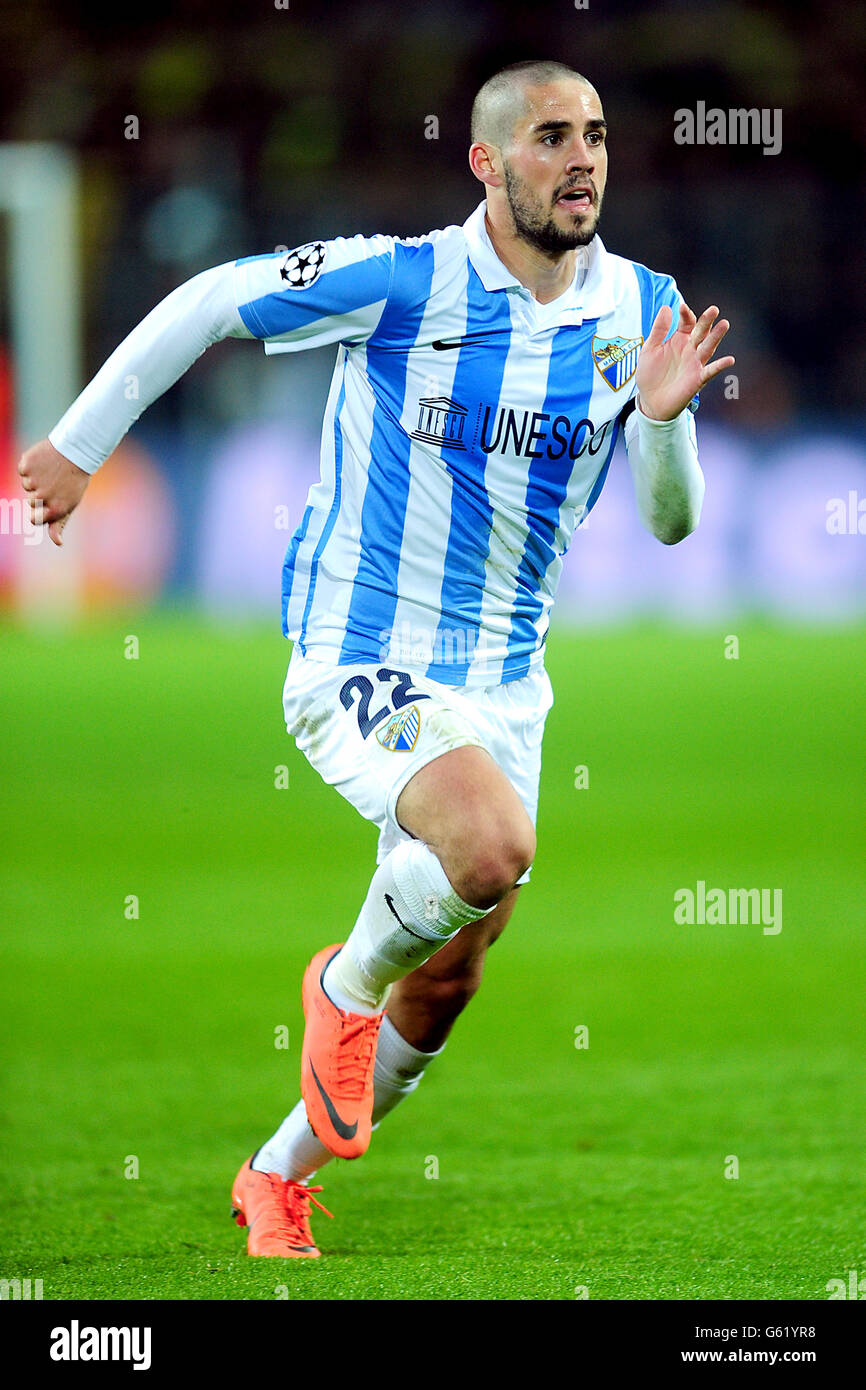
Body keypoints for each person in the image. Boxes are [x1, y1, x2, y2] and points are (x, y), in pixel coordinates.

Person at [18, 60, 733, 1258]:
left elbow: (668, 521)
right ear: (487, 163)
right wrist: (80, 444)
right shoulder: (402, 279)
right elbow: (209, 299)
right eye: (551, 138)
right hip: (360, 650)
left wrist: (658, 424)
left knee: (451, 978)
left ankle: (273, 1173)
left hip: (508, 682)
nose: (582, 161)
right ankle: (340, 991)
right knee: (492, 843)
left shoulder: (640, 309)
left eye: (595, 137)